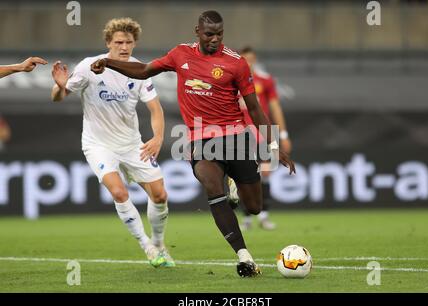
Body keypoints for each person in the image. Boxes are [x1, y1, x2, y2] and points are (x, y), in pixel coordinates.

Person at [90, 10, 296, 277]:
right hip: (200, 139)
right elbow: (143, 70)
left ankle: (234, 181)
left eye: (219, 34)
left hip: (235, 138)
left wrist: (273, 147)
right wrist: (108, 62)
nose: (214, 39)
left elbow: (255, 109)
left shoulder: (236, 63)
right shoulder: (180, 54)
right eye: (209, 34)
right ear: (197, 31)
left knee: (254, 208)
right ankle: (244, 257)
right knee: (212, 187)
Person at [51, 17, 175, 267]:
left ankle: (159, 243)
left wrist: (158, 137)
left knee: (160, 195)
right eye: (119, 41)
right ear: (109, 42)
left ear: (134, 44)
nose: (124, 47)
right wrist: (59, 86)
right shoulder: (89, 66)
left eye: (129, 42)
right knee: (119, 192)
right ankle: (147, 247)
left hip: (131, 144)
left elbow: (155, 109)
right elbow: (58, 96)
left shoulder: (141, 70)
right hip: (99, 145)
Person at [228, 46, 292, 231]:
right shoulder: (231, 81)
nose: (247, 62)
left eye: (250, 59)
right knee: (245, 175)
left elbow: (275, 107)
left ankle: (263, 215)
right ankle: (247, 217)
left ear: (254, 60)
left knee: (265, 173)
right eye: (244, 59)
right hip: (240, 133)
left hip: (262, 132)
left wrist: (284, 134)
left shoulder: (265, 81)